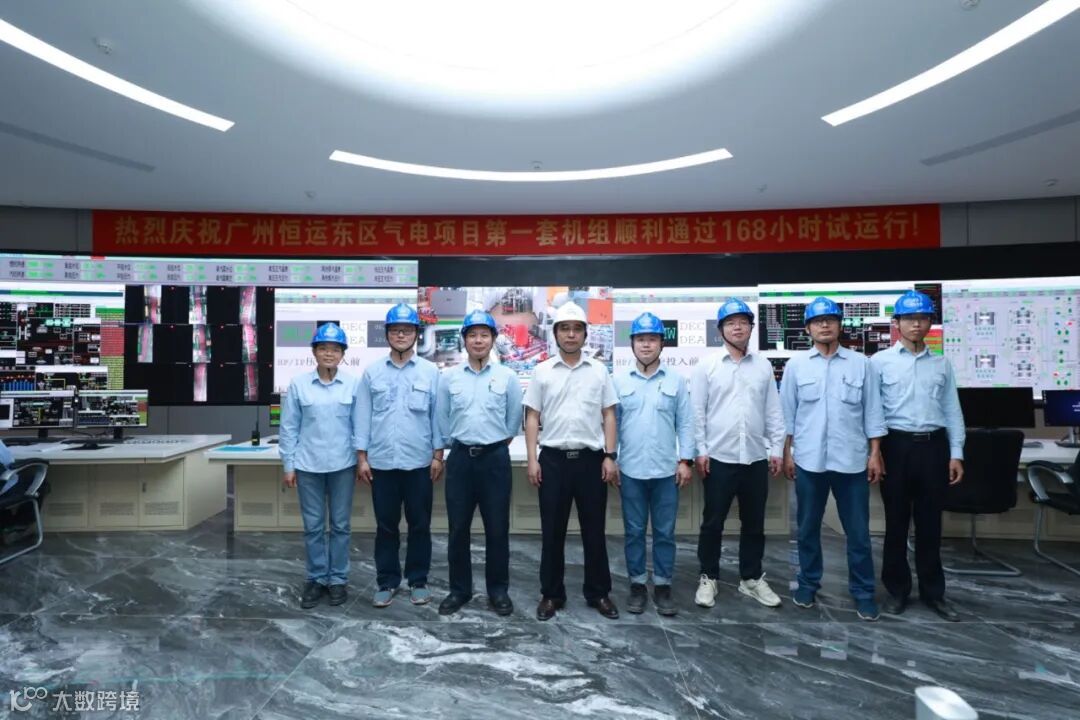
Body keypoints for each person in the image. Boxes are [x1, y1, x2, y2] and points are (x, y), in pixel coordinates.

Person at [780, 296, 886, 621]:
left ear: (840, 325)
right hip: (809, 461)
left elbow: (873, 412)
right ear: (808, 328)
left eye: (830, 320)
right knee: (807, 529)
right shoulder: (796, 366)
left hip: (851, 462)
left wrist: (875, 454)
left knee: (858, 533)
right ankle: (808, 584)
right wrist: (786, 454)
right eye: (817, 321)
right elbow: (787, 415)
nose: (824, 325)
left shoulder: (861, 364)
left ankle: (863, 592)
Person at [871, 290, 965, 621]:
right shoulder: (879, 362)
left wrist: (956, 453)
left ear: (929, 324)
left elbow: (952, 410)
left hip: (933, 448)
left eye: (922, 318)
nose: (916, 324)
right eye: (909, 319)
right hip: (895, 447)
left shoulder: (941, 364)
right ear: (896, 324)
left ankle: (933, 593)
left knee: (930, 524)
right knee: (896, 523)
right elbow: (873, 412)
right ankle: (897, 591)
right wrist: (875, 452)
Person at [524, 301, 621, 621]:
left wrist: (610, 455)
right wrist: (532, 459)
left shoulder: (599, 371)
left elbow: (609, 414)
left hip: (591, 461)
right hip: (552, 461)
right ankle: (551, 594)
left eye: (576, 329)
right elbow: (532, 417)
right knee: (552, 532)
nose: (570, 334)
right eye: (564, 329)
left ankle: (599, 593)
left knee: (594, 531)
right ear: (555, 334)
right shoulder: (542, 371)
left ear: (584, 334)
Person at [691, 298, 786, 610]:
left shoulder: (762, 366)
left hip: (755, 458)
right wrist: (701, 450)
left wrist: (776, 449)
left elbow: (773, 410)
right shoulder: (707, 366)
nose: (737, 327)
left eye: (743, 322)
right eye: (730, 323)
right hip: (718, 458)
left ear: (751, 328)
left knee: (754, 523)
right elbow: (697, 412)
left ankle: (751, 578)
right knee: (712, 522)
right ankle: (709, 577)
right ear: (720, 330)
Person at [435, 310, 523, 616]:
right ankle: (459, 590)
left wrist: (492, 444)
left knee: (497, 528)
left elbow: (512, 423)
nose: (478, 340)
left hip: (495, 459)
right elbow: (442, 419)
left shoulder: (508, 377)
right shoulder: (449, 378)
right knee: (458, 528)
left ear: (493, 339)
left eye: (484, 335)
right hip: (460, 460)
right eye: (472, 335)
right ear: (464, 339)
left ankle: (498, 591)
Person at [357, 303, 444, 608]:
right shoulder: (372, 372)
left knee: (419, 525)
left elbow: (437, 417)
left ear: (416, 334)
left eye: (407, 330)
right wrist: (362, 458)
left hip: (419, 463)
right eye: (395, 330)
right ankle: (387, 581)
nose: (401, 335)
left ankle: (418, 580)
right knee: (386, 527)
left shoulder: (430, 372)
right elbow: (363, 417)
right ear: (387, 335)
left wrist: (438, 456)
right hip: (382, 463)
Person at [613, 311, 693, 616]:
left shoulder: (676, 381)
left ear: (662, 344)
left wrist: (685, 460)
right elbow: (612, 424)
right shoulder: (619, 381)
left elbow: (685, 423)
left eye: (652, 339)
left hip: (665, 471)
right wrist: (611, 458)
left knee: (664, 532)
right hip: (630, 471)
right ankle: (637, 584)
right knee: (633, 531)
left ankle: (662, 585)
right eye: (641, 339)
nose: (646, 345)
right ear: (632, 344)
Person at [279, 322, 361, 609]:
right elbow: (289, 428)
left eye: (335, 349)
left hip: (343, 466)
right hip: (308, 466)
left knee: (340, 525)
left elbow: (359, 426)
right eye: (323, 348)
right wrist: (288, 465)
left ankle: (337, 579)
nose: (329, 353)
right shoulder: (299, 384)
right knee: (313, 526)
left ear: (343, 354)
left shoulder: (353, 384)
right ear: (314, 352)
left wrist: (362, 460)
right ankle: (315, 578)